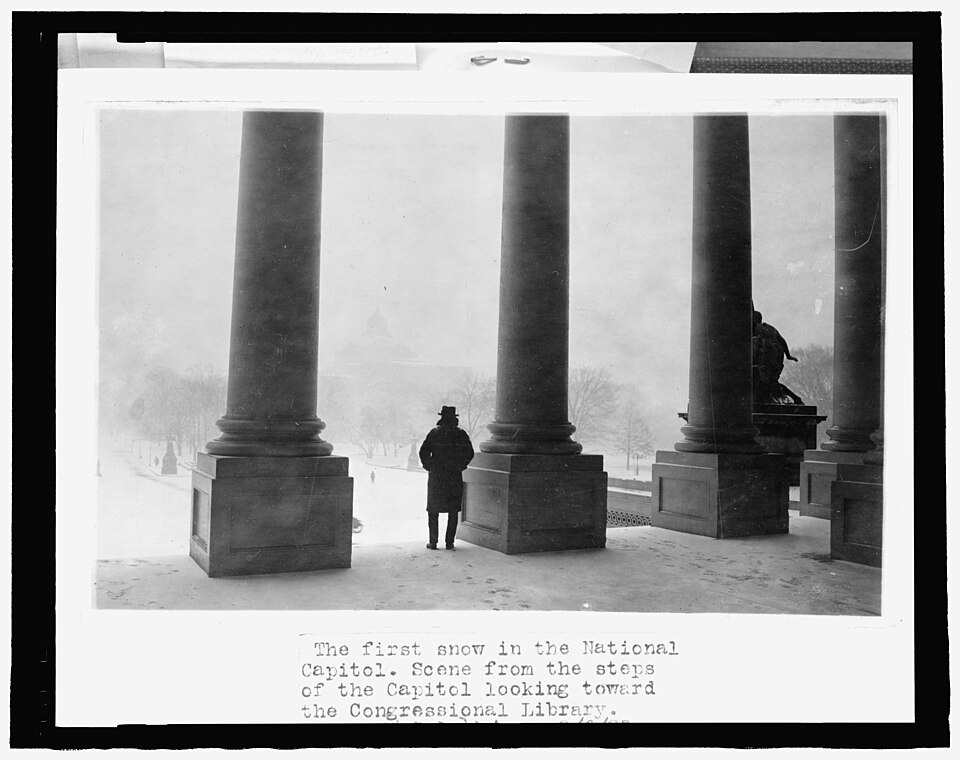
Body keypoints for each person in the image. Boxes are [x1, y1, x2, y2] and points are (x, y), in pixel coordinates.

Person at [418, 406, 475, 551]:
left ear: (441, 418)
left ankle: (433, 542)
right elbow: (469, 453)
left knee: (433, 510)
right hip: (453, 476)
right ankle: (449, 542)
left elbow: (423, 451)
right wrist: (460, 465)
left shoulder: (434, 433)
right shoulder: (461, 434)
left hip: (437, 477)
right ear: (454, 418)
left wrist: (429, 465)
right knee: (453, 510)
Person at [752, 310, 803, 405]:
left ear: (753, 319)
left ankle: (773, 400)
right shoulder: (770, 328)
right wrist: (788, 356)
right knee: (772, 382)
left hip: (766, 354)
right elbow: (782, 341)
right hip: (778, 354)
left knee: (767, 382)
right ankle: (795, 399)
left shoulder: (754, 328)